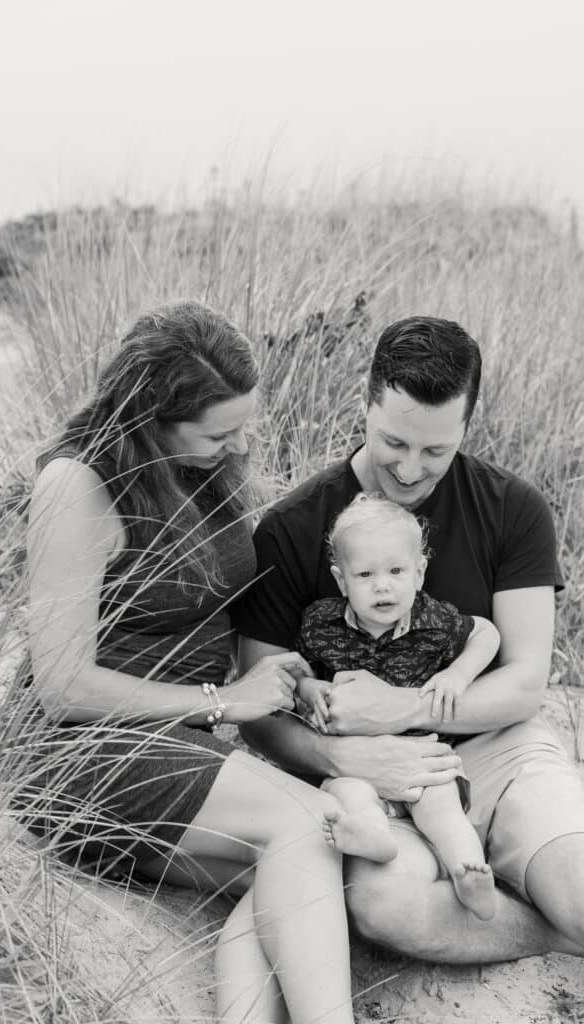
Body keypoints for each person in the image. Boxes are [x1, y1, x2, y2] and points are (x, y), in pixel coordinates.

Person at [0, 300, 364, 1024]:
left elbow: (208, 611)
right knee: (306, 822)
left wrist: (283, 677)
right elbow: (64, 687)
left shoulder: (200, 470)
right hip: (80, 752)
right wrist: (225, 702)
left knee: (310, 873)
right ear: (148, 416)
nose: (235, 447)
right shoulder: (78, 486)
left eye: (242, 428)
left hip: (180, 742)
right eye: (217, 433)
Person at [233, 315, 584, 963]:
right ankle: (556, 935)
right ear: (363, 404)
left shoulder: (512, 510)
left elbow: (524, 683)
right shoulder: (292, 529)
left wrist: (407, 706)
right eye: (392, 441)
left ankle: (564, 916)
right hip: (370, 775)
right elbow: (260, 710)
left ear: (464, 428)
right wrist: (340, 757)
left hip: (495, 750)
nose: (408, 468)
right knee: (387, 909)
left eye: (434, 451)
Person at [295, 492, 500, 921]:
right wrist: (308, 688)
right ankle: (374, 835)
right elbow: (297, 669)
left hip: (422, 757)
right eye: (365, 574)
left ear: (419, 572)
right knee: (343, 793)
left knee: (442, 808)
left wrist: (458, 674)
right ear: (341, 579)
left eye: (395, 571)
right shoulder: (321, 623)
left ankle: (469, 873)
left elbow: (486, 634)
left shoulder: (434, 621)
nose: (382, 585)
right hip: (356, 764)